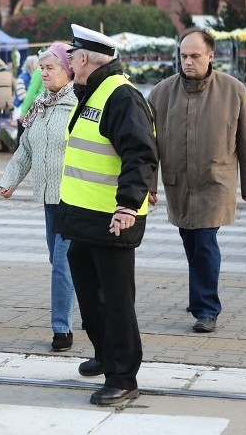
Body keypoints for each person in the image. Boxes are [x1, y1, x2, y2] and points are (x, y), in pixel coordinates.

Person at [54, 24, 158, 407]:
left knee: (116, 299)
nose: (67, 62)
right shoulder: (92, 91)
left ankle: (123, 375)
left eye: (71, 56)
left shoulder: (121, 96)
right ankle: (104, 353)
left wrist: (128, 205)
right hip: (84, 215)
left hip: (113, 217)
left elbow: (141, 153)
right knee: (89, 291)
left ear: (84, 59)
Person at [147, 27, 246, 334]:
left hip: (215, 182)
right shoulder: (161, 93)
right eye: (183, 56)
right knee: (191, 241)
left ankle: (207, 309)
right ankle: (199, 295)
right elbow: (148, 145)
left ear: (210, 56)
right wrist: (148, 185)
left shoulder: (233, 89)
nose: (188, 61)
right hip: (179, 183)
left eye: (195, 56)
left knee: (205, 242)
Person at [0, 43, 77, 352]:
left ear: (68, 71)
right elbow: (25, 149)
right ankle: (89, 304)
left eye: (50, 68)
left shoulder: (77, 106)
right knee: (60, 261)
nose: (43, 73)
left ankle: (61, 328)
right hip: (48, 199)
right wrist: (9, 181)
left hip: (72, 197)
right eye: (41, 68)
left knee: (61, 263)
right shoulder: (40, 105)